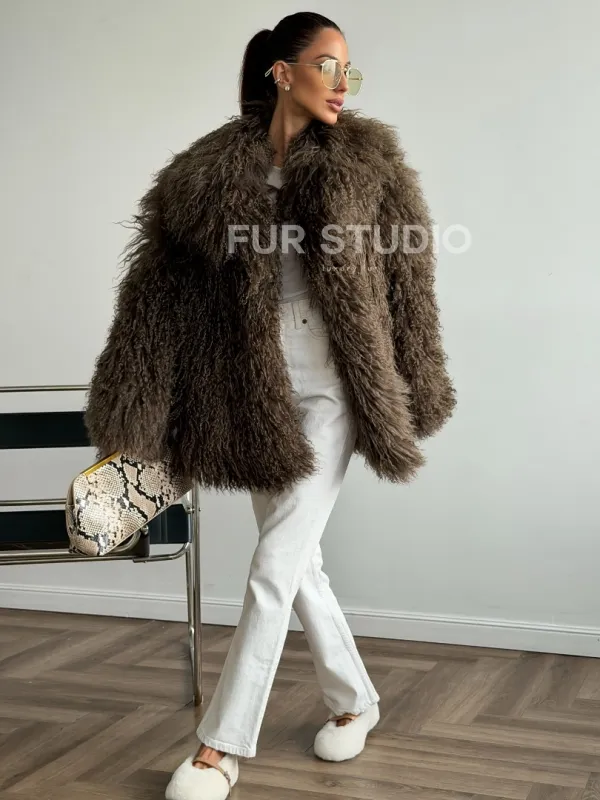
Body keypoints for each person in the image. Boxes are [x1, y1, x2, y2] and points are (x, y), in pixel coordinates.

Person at [84, 11, 456, 800]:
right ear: (282, 73)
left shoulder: (370, 163)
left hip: (338, 383)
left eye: (351, 70)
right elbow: (155, 298)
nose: (343, 85)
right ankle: (355, 701)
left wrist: (418, 379)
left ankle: (218, 748)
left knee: (273, 565)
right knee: (299, 562)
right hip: (252, 391)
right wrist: (137, 406)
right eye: (328, 66)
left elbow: (410, 282)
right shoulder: (205, 175)